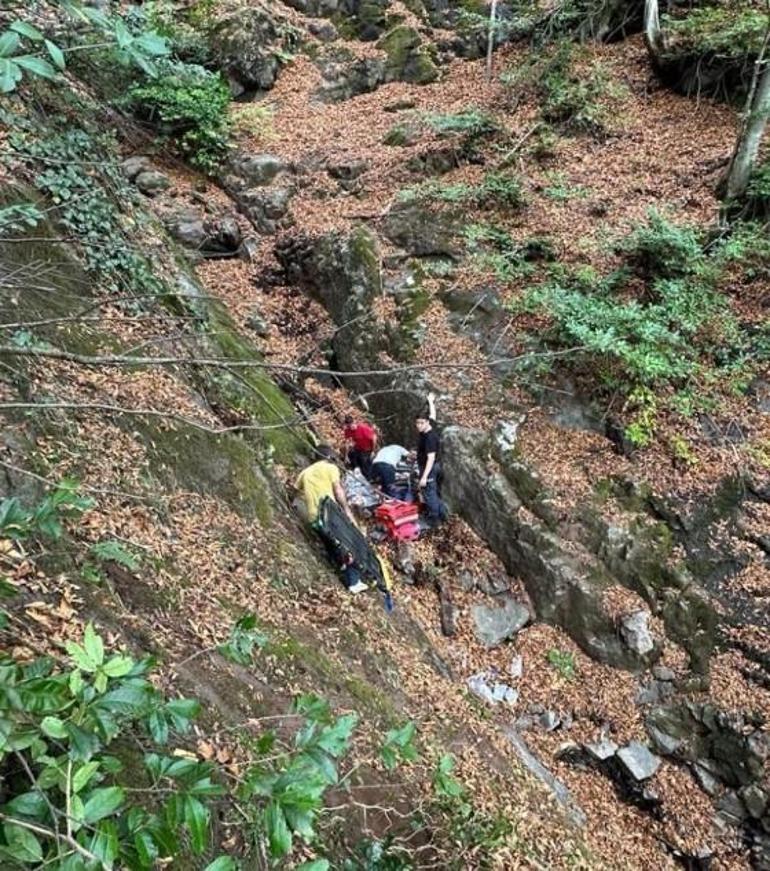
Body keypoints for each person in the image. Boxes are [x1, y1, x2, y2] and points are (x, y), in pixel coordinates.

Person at [294, 445, 368, 593]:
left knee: (330, 544)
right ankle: (353, 582)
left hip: (314, 516)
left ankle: (340, 568)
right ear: (328, 458)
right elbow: (338, 490)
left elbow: (296, 492)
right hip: (330, 514)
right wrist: (346, 508)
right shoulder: (330, 468)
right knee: (347, 545)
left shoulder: (304, 473)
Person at [415, 392, 448, 528]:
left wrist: (424, 477)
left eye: (421, 423)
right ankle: (443, 514)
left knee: (429, 494)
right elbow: (433, 415)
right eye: (417, 423)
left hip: (430, 468)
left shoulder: (429, 438)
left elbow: (430, 458)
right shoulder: (430, 427)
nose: (418, 425)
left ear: (426, 423)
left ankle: (433, 520)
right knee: (433, 492)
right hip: (435, 467)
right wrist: (430, 402)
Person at [343, 415, 377, 480]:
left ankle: (370, 478)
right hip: (358, 448)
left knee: (364, 462)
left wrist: (373, 451)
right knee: (351, 455)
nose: (351, 428)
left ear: (354, 423)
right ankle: (357, 471)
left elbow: (374, 438)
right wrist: (346, 456)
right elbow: (347, 443)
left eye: (352, 425)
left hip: (367, 449)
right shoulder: (348, 431)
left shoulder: (363, 428)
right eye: (349, 426)